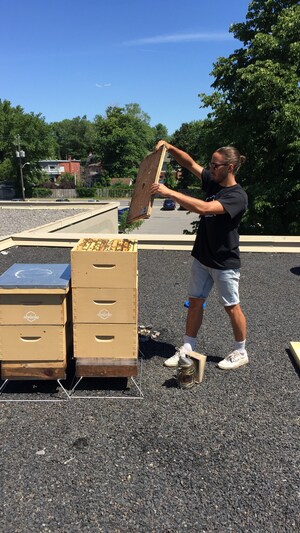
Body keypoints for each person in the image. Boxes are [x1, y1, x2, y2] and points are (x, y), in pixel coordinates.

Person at [151, 140, 249, 370]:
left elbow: (204, 209)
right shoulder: (213, 181)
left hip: (224, 262)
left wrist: (169, 192)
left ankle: (241, 351)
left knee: (231, 306)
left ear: (230, 167)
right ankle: (188, 346)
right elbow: (190, 164)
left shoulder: (237, 196)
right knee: (195, 302)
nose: (211, 169)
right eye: (211, 165)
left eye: (215, 165)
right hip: (202, 257)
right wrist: (171, 148)